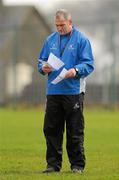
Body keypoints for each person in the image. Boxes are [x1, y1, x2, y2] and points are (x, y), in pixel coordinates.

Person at [38, 9, 94, 173]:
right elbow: (40, 62)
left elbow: (89, 64)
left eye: (62, 25)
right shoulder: (50, 40)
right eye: (56, 25)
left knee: (74, 129)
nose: (59, 28)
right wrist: (43, 67)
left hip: (74, 91)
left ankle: (77, 165)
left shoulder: (82, 40)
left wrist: (75, 71)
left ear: (70, 22)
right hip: (53, 91)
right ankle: (53, 165)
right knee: (51, 129)